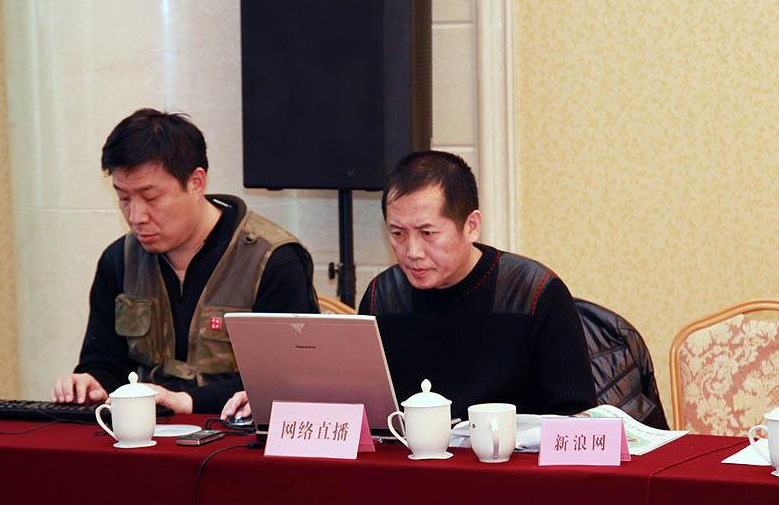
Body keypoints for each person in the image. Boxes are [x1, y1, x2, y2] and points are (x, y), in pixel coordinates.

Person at [222, 150, 596, 422]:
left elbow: (576, 417)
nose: (412, 252)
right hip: (408, 474)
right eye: (398, 234)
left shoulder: (534, 293)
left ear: (471, 226)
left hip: (507, 478)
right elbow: (357, 403)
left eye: (428, 233)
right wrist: (280, 401)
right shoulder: (384, 296)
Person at [52, 108, 317, 414]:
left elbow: (288, 379)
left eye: (150, 198)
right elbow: (105, 362)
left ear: (196, 182)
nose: (135, 217)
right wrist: (91, 383)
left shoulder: (272, 260)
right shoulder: (120, 260)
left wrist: (188, 402)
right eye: (123, 198)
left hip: (234, 432)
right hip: (144, 431)